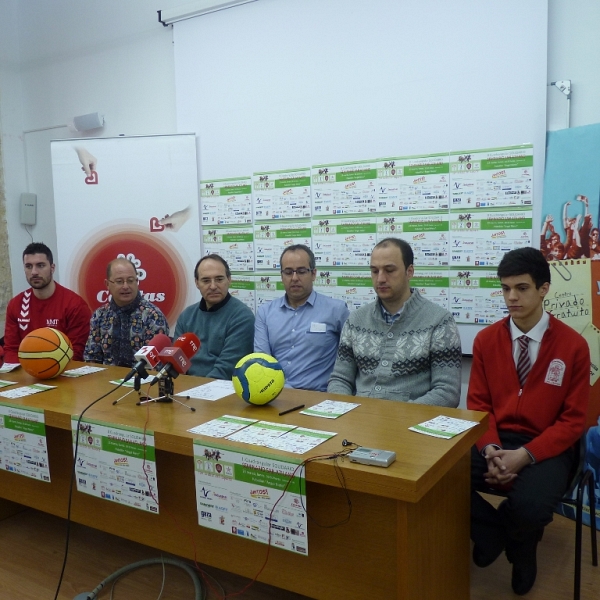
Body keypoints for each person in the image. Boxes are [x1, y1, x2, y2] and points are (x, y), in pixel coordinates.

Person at [468, 247, 590, 595]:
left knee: (531, 507)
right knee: (438, 476)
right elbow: (478, 404)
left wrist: (524, 456)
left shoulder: (574, 346)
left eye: (521, 288)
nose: (511, 297)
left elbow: (572, 422)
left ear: (543, 289)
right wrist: (492, 449)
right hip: (495, 438)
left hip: (549, 445)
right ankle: (491, 534)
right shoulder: (486, 340)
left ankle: (522, 549)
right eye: (505, 288)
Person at [327, 237, 461, 406]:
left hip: (410, 423)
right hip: (359, 420)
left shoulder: (439, 321)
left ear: (409, 271)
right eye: (375, 271)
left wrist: (395, 417)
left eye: (389, 270)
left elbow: (447, 392)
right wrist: (349, 412)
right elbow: (340, 380)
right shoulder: (355, 320)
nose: (380, 279)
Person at [254, 244, 349, 391]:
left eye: (301, 271)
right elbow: (261, 362)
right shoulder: (265, 313)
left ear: (313, 274)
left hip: (318, 398)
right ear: (281, 275)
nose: (294, 278)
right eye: (288, 272)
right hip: (276, 396)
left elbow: (350, 363)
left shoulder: (336, 311)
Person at [4, 242, 91, 362]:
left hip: (62, 373)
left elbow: (75, 353)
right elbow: (11, 350)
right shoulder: (15, 304)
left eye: (40, 265)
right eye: (28, 266)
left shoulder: (75, 305)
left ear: (52, 268)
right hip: (26, 374)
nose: (34, 272)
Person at [174, 254, 254, 379]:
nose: (213, 286)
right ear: (197, 283)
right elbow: (177, 362)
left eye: (219, 279)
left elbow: (227, 369)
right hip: (186, 388)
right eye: (206, 280)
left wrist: (198, 392)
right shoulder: (186, 316)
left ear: (229, 279)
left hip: (222, 390)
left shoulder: (242, 317)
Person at [84, 258, 169, 367]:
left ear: (137, 281)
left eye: (130, 280)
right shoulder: (99, 315)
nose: (126, 286)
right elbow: (91, 358)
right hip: (104, 380)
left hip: (143, 380)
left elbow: (157, 365)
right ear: (107, 284)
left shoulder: (153, 316)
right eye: (119, 281)